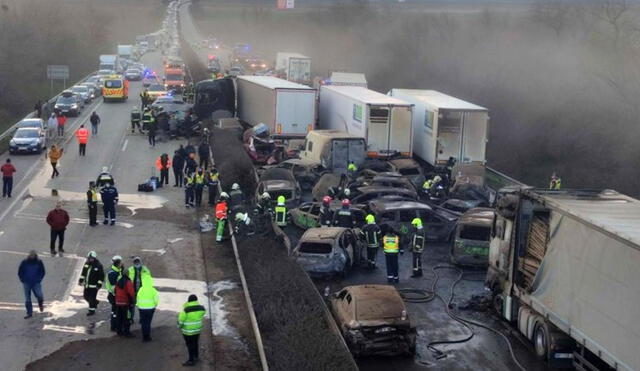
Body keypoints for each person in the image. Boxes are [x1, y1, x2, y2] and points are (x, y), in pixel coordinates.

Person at [178, 294, 206, 366]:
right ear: (196, 300)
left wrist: (179, 326)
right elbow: (203, 313)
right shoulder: (202, 308)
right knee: (195, 343)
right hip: (197, 330)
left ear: (189, 301)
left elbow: (181, 320)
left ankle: (191, 360)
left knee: (189, 345)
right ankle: (196, 357)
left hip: (188, 332)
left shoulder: (185, 310)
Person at [18, 250, 45, 319]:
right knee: (27, 298)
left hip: (36, 282)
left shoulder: (39, 262)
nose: (32, 256)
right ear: (29, 255)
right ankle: (29, 313)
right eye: (31, 255)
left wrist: (39, 279)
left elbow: (42, 271)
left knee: (39, 295)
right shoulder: (24, 262)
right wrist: (22, 279)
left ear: (35, 255)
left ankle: (40, 303)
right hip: (26, 282)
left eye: (33, 255)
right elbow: (20, 271)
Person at [78, 251, 104, 316]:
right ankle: (95, 302)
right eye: (89, 258)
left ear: (94, 258)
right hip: (87, 285)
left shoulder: (98, 266)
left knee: (92, 298)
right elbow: (83, 273)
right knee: (86, 296)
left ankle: (92, 310)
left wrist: (99, 284)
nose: (89, 259)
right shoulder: (87, 264)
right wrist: (81, 280)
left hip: (94, 286)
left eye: (91, 258)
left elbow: (101, 276)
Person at [136, 275, 159, 342]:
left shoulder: (141, 289)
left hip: (142, 308)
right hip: (150, 309)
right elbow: (156, 300)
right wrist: (155, 305)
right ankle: (147, 336)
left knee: (143, 323)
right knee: (148, 322)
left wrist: (139, 306)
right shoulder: (153, 290)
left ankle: (144, 336)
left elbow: (138, 298)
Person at [114, 272, 135, 337]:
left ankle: (119, 331)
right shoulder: (128, 282)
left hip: (118, 302)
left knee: (119, 318)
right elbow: (131, 293)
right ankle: (127, 333)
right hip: (126, 303)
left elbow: (115, 291)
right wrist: (132, 302)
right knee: (127, 318)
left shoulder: (118, 281)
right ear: (128, 274)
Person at [105, 256, 123, 331]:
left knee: (115, 311)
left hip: (114, 295)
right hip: (114, 295)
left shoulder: (117, 272)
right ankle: (114, 326)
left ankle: (115, 325)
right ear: (118, 264)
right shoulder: (113, 273)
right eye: (120, 263)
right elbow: (113, 286)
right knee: (115, 312)